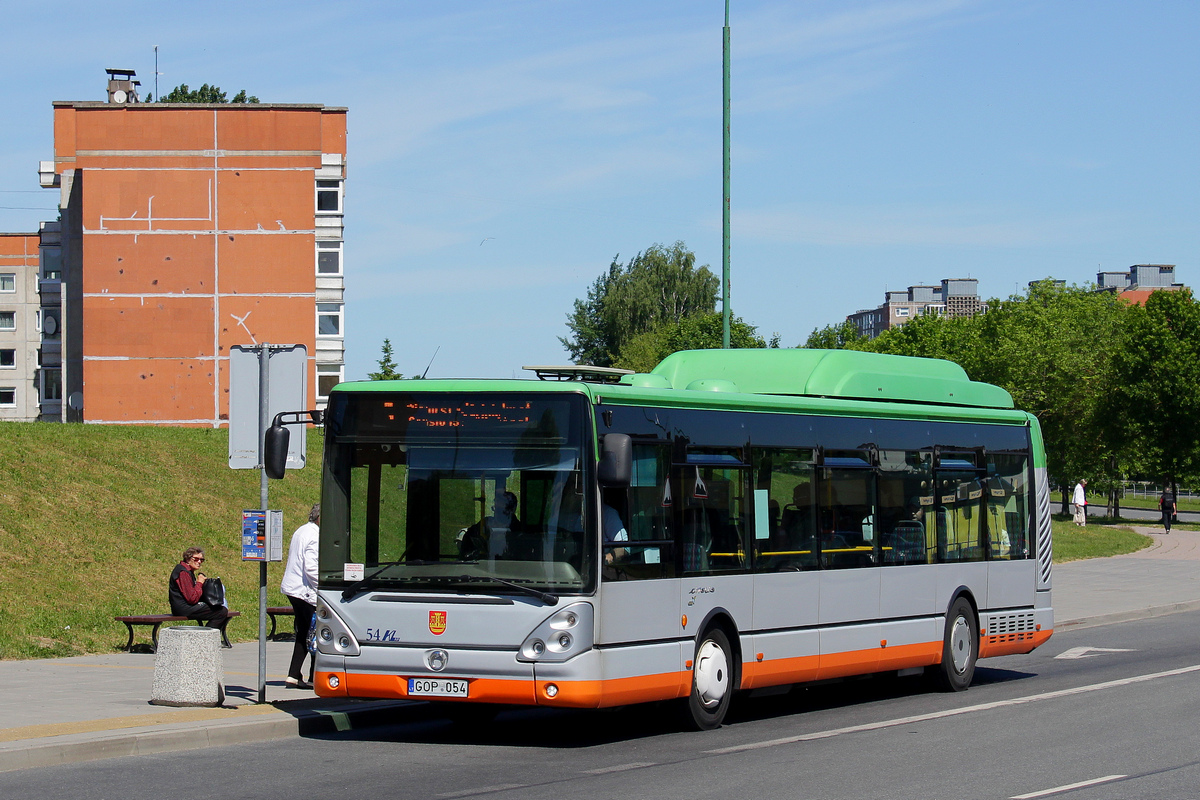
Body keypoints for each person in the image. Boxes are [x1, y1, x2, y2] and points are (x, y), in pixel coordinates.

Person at [281, 503, 320, 690]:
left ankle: (294, 674)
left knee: (304, 631)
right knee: (314, 632)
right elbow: (311, 567)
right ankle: (313, 675)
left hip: (293, 588)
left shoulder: (302, 530)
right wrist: (322, 588)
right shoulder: (316, 535)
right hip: (305, 590)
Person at [168, 546, 231, 645]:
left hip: (185, 607)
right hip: (183, 608)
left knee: (219, 608)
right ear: (188, 559)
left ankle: (204, 639)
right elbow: (192, 598)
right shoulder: (183, 572)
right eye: (196, 559)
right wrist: (200, 583)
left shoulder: (187, 571)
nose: (199, 562)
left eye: (202, 560)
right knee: (221, 612)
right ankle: (204, 641)